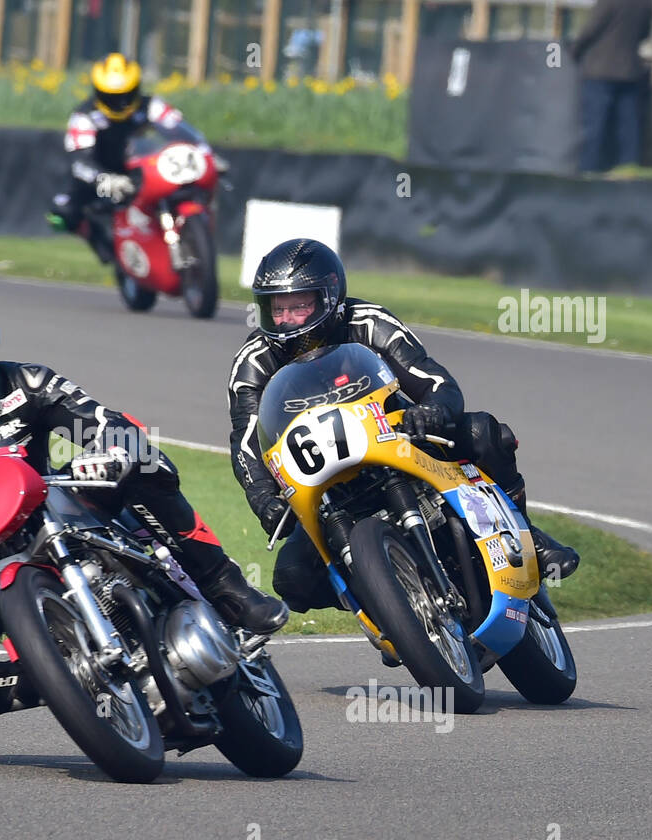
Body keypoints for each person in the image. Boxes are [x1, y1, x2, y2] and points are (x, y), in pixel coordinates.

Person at [0, 288, 288, 728]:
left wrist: (110, 449)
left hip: (51, 506)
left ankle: (224, 583)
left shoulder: (28, 383)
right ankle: (51, 679)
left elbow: (104, 421)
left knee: (141, 457)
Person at [228, 238, 580, 617]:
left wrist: (431, 410)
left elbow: (436, 380)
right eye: (277, 308)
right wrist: (263, 497)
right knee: (293, 579)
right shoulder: (253, 361)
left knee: (484, 433)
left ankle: (530, 538)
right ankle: (390, 607)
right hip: (327, 483)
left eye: (300, 306)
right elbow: (246, 442)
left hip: (402, 442)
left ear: (329, 297)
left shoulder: (367, 321)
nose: (287, 320)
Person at [46, 53, 184, 264]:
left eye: (126, 95)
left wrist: (201, 152)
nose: (120, 103)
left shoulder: (152, 106)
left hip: (144, 171)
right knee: (60, 213)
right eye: (111, 97)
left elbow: (181, 132)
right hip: (100, 178)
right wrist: (105, 179)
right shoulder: (84, 116)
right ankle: (99, 241)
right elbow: (79, 162)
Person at [571, 0, 652, 172]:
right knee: (629, 127)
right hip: (631, 71)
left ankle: (588, 172)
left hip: (600, 71)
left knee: (594, 126)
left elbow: (591, 30)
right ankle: (628, 171)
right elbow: (645, 33)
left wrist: (574, 52)